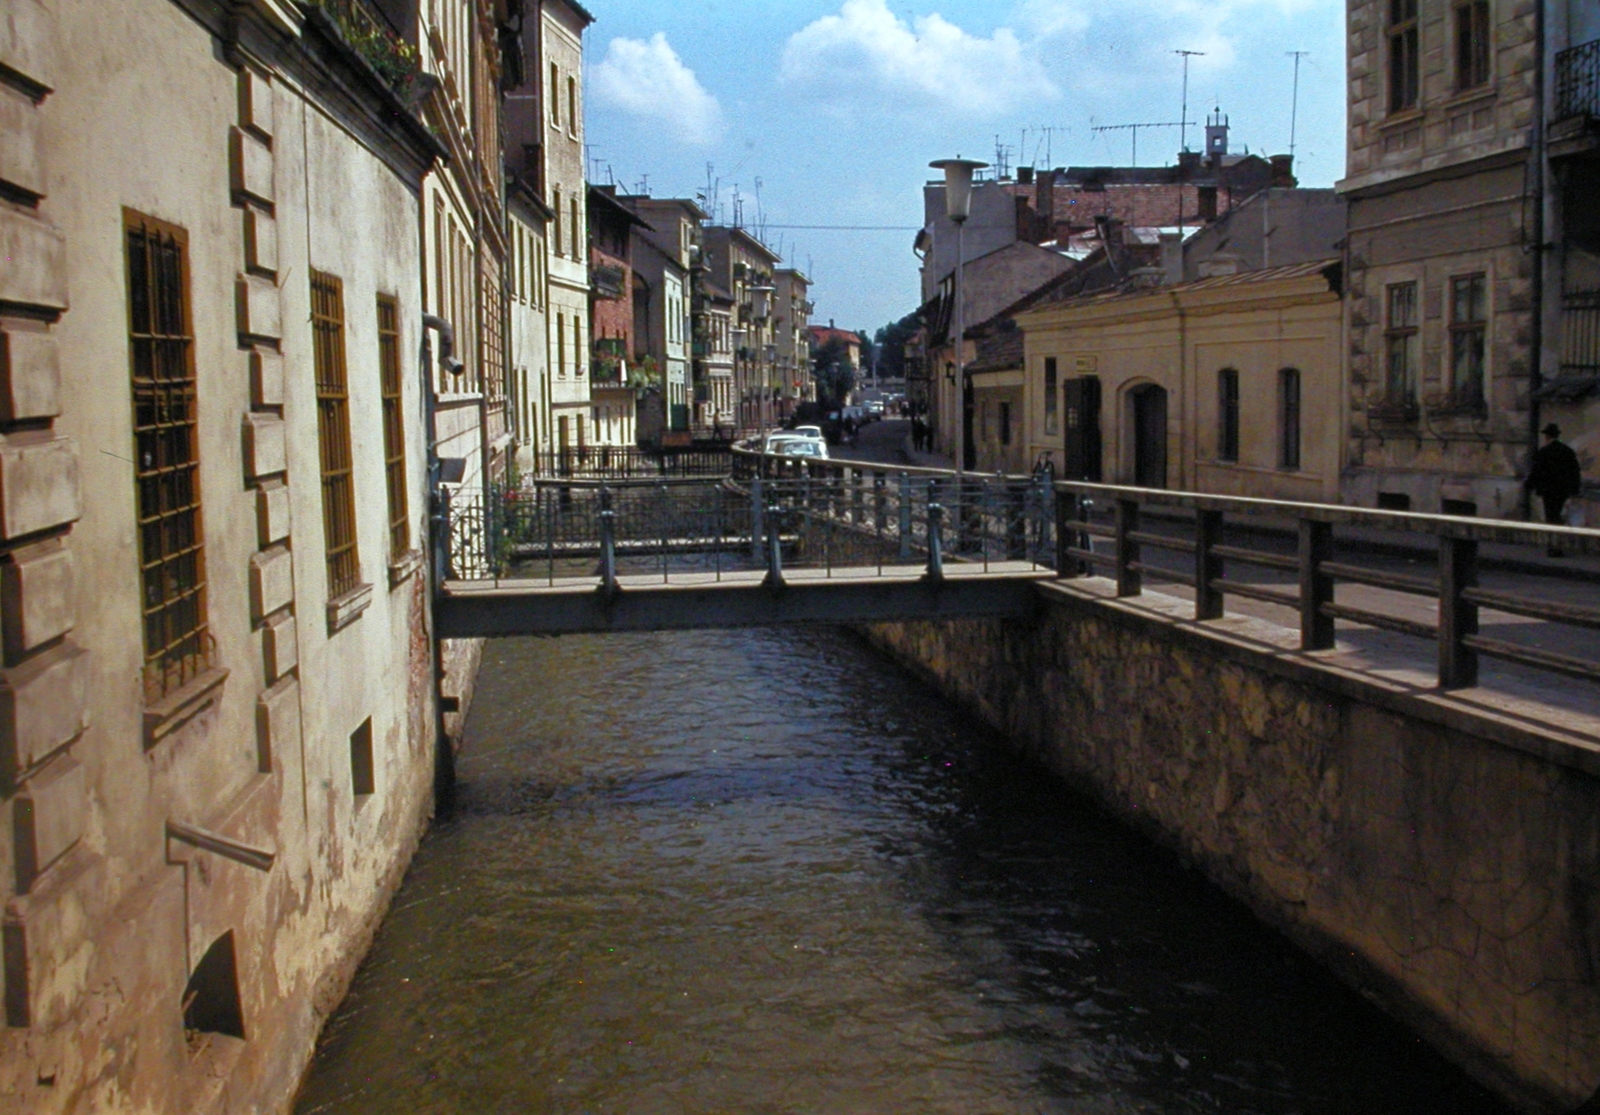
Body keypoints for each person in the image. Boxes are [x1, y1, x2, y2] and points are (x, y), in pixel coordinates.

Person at [1526, 422, 1583, 556]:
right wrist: (1574, 490)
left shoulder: (1544, 452)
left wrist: (1529, 485)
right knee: (1558, 517)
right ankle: (1558, 545)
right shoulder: (1567, 451)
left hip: (1548, 491)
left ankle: (1553, 547)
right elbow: (1575, 472)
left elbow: (1536, 471)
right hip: (1563, 491)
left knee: (1551, 518)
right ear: (1557, 435)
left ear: (1546, 436)